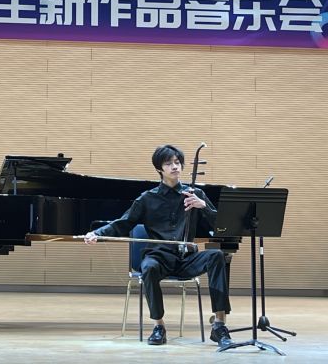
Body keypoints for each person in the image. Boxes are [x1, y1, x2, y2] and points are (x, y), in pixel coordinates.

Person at [84, 144, 233, 348]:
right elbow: (124, 222)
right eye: (169, 163)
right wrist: (97, 234)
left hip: (187, 258)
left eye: (177, 162)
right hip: (160, 257)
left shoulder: (195, 194)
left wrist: (204, 206)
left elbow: (221, 227)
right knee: (149, 267)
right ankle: (158, 326)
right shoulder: (147, 199)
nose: (175, 167)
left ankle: (219, 325)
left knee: (216, 256)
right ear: (159, 169)